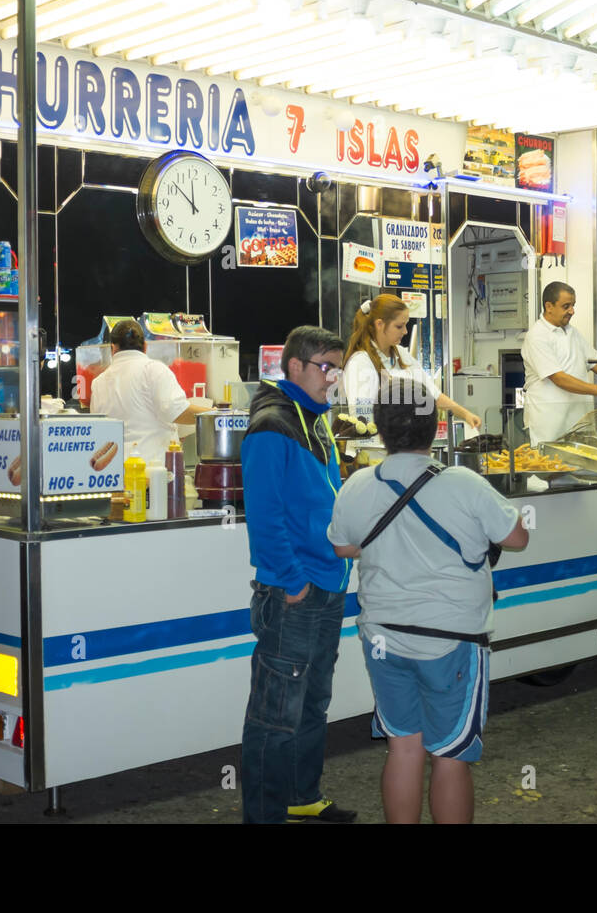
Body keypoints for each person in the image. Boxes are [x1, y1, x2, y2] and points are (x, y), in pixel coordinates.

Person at [327, 380, 528, 823]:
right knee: (450, 756)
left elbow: (343, 547)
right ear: (436, 427)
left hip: (383, 636)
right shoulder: (464, 482)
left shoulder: (358, 484)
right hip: (452, 639)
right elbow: (517, 538)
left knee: (403, 747)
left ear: (379, 430)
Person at [239, 325, 357, 823]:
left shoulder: (314, 418)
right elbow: (264, 520)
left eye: (337, 367)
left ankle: (301, 796)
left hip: (327, 584)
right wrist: (293, 582)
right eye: (325, 367)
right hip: (295, 592)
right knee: (275, 714)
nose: (333, 378)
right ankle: (264, 815)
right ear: (295, 367)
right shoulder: (272, 424)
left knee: (312, 702)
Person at [341, 294, 482, 454]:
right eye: (399, 326)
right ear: (380, 324)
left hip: (401, 449)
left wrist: (465, 414)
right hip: (371, 452)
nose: (405, 331)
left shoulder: (401, 354)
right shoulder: (360, 362)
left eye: (406, 325)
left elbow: (431, 393)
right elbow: (362, 416)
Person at [521, 281, 597, 445]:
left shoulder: (572, 332)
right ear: (549, 306)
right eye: (566, 306)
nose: (572, 311)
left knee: (578, 468)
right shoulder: (537, 336)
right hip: (549, 424)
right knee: (551, 468)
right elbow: (559, 378)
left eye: (573, 305)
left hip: (578, 422)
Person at [88, 320, 210, 460]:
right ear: (145, 347)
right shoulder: (154, 370)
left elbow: (99, 429)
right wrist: (214, 414)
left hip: (115, 471)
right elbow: (177, 411)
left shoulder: (98, 383)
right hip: (152, 471)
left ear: (113, 348)